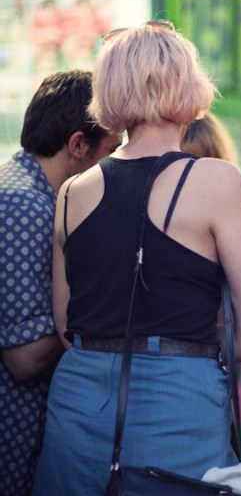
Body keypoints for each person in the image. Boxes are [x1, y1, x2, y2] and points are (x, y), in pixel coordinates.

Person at [32, 20, 241, 495]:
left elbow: (68, 328)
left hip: (78, 404)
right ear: (188, 84)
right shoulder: (218, 181)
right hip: (179, 406)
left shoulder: (71, 193)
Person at [0, 70, 120, 496]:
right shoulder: (26, 206)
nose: (117, 164)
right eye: (112, 150)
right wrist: (109, 292)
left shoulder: (32, 195)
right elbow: (25, 358)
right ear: (77, 145)